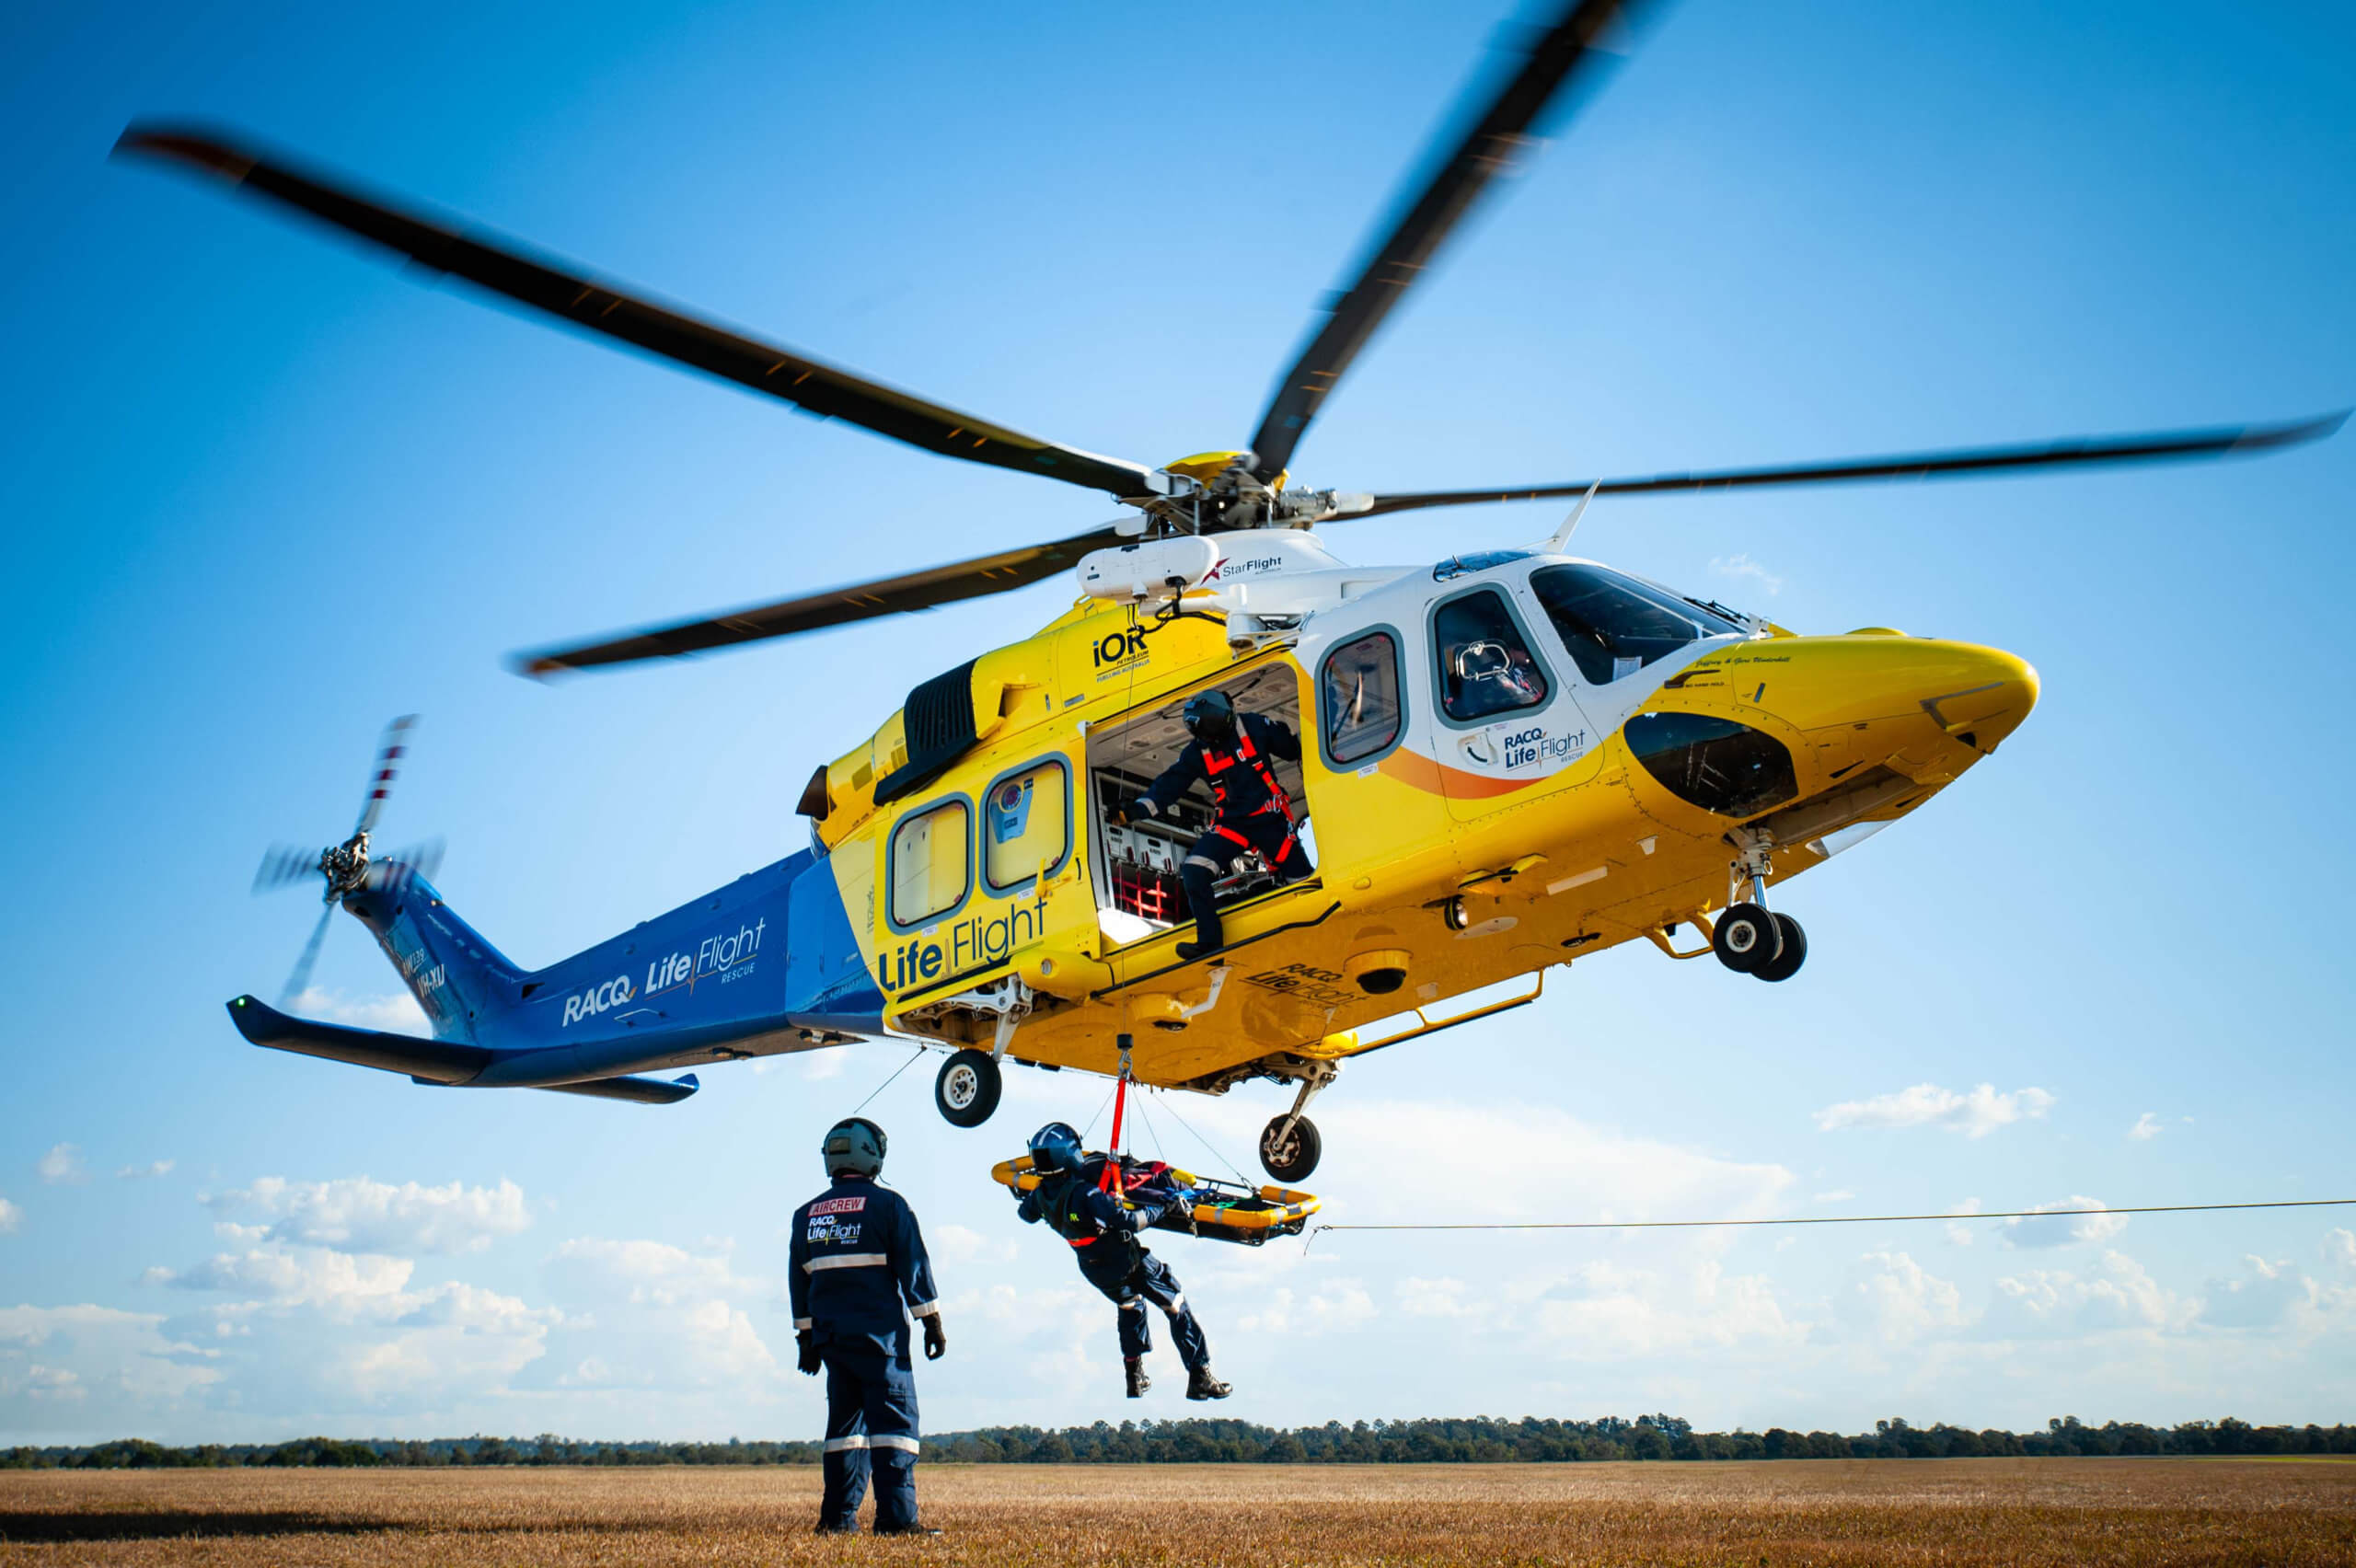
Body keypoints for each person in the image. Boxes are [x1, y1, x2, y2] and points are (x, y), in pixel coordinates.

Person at [789, 1117, 945, 1537]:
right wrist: (931, 1321)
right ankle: (896, 1520)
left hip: (833, 1343)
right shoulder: (889, 1206)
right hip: (882, 1342)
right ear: (872, 1155)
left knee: (844, 1433)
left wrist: (805, 1338)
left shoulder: (806, 1216)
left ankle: (837, 1521)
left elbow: (798, 1281)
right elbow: (914, 1267)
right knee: (894, 1428)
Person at [1012, 1120, 1231, 1401]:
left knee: (1131, 1306)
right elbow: (1128, 1221)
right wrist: (1162, 1207)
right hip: (1126, 1260)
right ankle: (1200, 1376)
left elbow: (1025, 1214)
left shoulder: (1041, 1194)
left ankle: (1134, 1378)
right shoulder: (1085, 1193)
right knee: (1175, 1303)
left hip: (1094, 1269)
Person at [1114, 688, 1312, 960]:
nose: (1208, 735)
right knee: (1194, 871)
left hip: (1271, 820)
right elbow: (1169, 785)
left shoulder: (1253, 725)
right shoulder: (1197, 753)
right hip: (1233, 825)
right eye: (1202, 731)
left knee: (1304, 883)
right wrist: (1133, 811)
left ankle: (1317, 929)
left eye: (1210, 727)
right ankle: (1210, 943)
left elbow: (1292, 749)